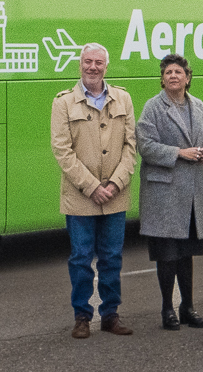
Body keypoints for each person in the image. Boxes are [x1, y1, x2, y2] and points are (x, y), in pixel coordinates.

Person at [50, 43, 139, 339]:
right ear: (79, 64)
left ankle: (111, 314)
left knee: (112, 257)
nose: (92, 67)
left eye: (98, 62)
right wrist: (91, 186)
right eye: (88, 61)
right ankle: (82, 316)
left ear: (106, 66)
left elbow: (131, 147)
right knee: (81, 257)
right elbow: (62, 151)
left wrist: (114, 183)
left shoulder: (123, 99)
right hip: (80, 198)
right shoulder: (63, 103)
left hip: (115, 195)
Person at [135, 52, 203, 331]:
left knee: (187, 254)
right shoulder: (152, 107)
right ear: (162, 79)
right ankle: (167, 309)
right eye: (168, 72)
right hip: (164, 195)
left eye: (178, 72)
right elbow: (144, 145)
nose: (173, 76)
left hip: (192, 193)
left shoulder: (199, 106)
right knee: (167, 255)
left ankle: (187, 307)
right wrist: (179, 152)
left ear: (188, 78)